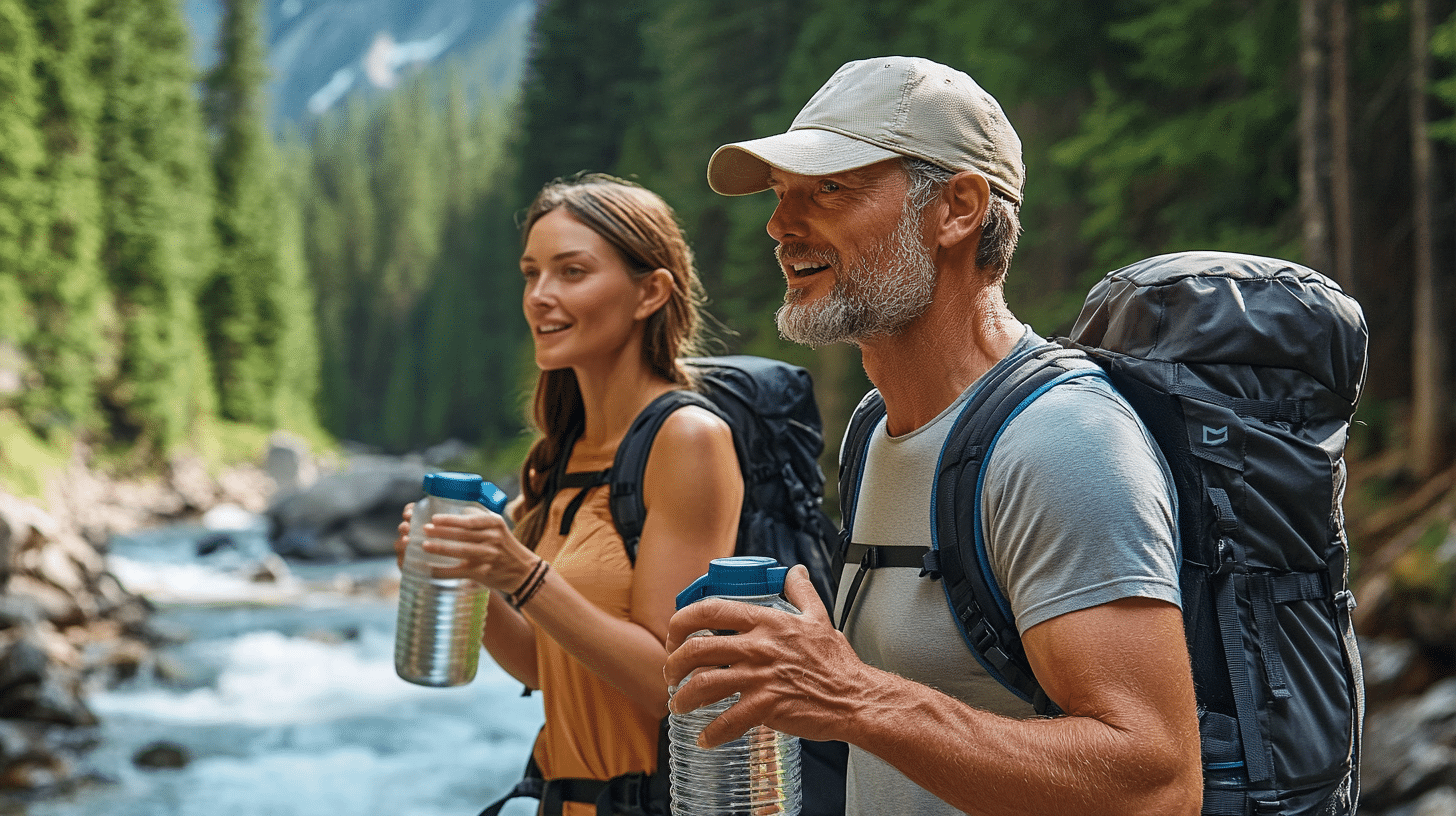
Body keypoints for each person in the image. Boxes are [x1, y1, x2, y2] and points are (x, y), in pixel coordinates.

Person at [663, 56, 1202, 816]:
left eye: (828, 189)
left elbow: (1158, 783)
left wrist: (852, 696)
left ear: (957, 209)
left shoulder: (1061, 442)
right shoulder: (876, 429)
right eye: (782, 196)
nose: (780, 225)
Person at [397, 174, 743, 816]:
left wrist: (523, 576)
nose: (540, 297)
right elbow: (546, 667)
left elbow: (675, 684)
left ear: (650, 292)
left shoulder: (687, 439)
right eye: (531, 274)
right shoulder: (563, 456)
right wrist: (473, 574)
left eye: (571, 272)